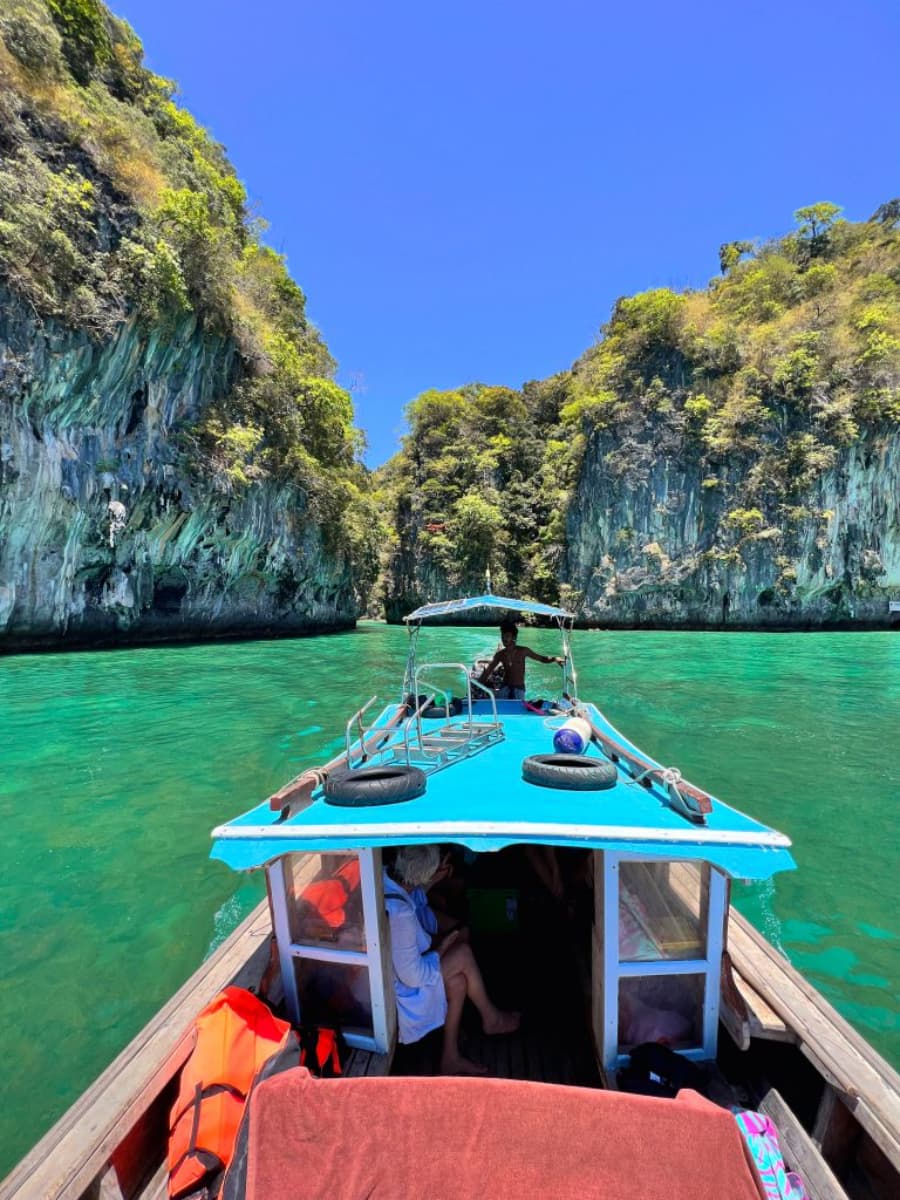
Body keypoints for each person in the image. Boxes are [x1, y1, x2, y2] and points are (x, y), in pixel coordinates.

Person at [384, 844, 519, 1075]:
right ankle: (491, 1017)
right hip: (402, 990)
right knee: (463, 953)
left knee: (458, 983)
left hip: (400, 968)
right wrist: (443, 948)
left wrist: (429, 881)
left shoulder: (388, 877)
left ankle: (450, 1058)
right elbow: (412, 977)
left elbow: (411, 894)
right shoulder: (401, 914)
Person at [478, 620, 564, 701]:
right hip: (505, 687)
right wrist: (477, 685)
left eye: (507, 636)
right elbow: (488, 671)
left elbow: (542, 659)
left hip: (519, 688)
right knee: (500, 705)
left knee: (517, 706)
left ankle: (495, 692)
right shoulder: (500, 654)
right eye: (502, 636)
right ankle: (495, 692)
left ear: (514, 637)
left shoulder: (523, 651)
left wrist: (555, 659)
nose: (504, 639)